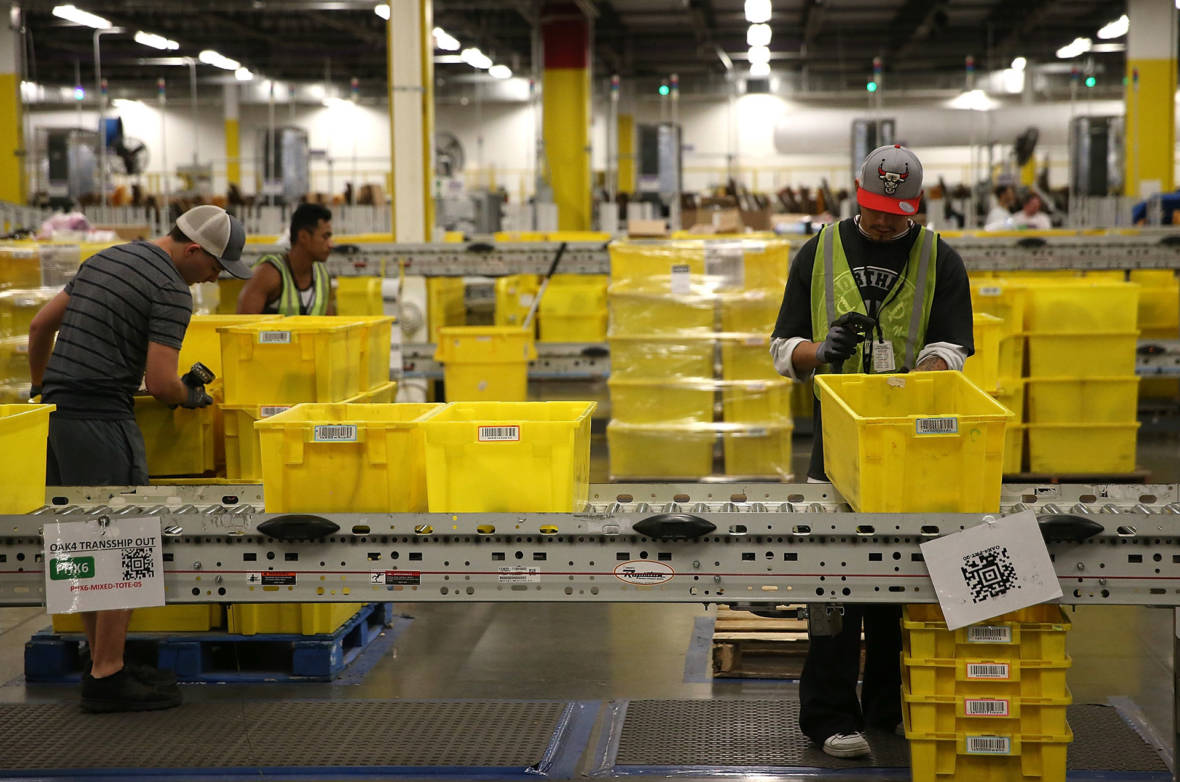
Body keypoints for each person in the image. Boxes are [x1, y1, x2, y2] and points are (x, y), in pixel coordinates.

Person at [768, 144, 974, 759]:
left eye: (899, 212)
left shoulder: (941, 258)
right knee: (832, 579)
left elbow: (954, 345)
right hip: (836, 444)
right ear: (857, 195)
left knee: (901, 576)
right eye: (877, 210)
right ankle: (831, 716)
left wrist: (931, 366)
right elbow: (782, 347)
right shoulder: (819, 251)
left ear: (917, 206)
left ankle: (892, 707)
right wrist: (819, 352)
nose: (887, 222)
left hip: (909, 442)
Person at [28, 205, 250, 713]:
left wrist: (43, 389)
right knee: (123, 536)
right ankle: (107, 676)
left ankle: (102, 662)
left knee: (78, 536)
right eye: (215, 267)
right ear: (193, 250)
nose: (213, 278)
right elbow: (160, 382)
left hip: (57, 420)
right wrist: (191, 398)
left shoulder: (105, 259)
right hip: (103, 418)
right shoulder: (172, 289)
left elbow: (40, 328)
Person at [237, 203, 334, 315]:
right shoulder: (267, 275)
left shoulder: (322, 276)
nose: (331, 244)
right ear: (303, 237)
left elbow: (330, 326)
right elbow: (244, 326)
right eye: (325, 237)